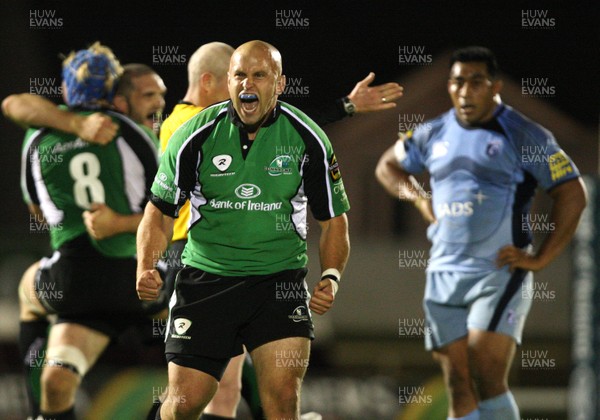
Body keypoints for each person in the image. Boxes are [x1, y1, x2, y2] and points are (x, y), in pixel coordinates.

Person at [156, 41, 402, 420]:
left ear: (280, 82)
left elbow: (332, 213)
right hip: (204, 273)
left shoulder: (303, 137)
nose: (246, 85)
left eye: (258, 75)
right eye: (238, 75)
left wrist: (332, 276)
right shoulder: (190, 129)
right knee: (192, 402)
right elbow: (155, 209)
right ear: (220, 81)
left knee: (277, 396)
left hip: (277, 282)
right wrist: (145, 262)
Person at [375, 46, 587, 420]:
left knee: (485, 373)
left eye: (476, 82)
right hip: (444, 271)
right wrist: (421, 200)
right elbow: (387, 166)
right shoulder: (433, 132)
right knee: (458, 383)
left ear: (495, 87)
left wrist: (542, 257)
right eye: (457, 82)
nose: (465, 91)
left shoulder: (524, 134)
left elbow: (572, 193)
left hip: (497, 272)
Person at [6, 42, 164, 420]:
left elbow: (38, 211)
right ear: (114, 93)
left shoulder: (38, 137)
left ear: (64, 90)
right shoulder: (137, 133)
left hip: (74, 283)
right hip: (140, 280)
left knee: (51, 361)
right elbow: (165, 209)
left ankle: (35, 414)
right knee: (220, 338)